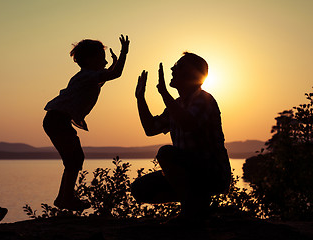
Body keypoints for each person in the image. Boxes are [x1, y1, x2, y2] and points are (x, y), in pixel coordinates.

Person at [132, 52, 231, 223]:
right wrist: (140, 98)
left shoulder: (204, 100)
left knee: (166, 153)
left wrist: (163, 93)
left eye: (179, 66)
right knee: (140, 189)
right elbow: (150, 128)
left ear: (193, 74)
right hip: (190, 173)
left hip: (212, 174)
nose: (172, 68)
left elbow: (187, 123)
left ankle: (191, 211)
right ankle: (198, 203)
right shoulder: (176, 104)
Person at [43, 35, 129, 211]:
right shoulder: (87, 76)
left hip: (58, 120)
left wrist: (114, 63)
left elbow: (108, 75)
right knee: (73, 159)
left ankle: (64, 197)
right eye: (102, 59)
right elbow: (115, 74)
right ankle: (65, 198)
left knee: (74, 159)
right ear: (90, 60)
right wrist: (124, 53)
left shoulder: (89, 77)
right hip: (58, 120)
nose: (105, 62)